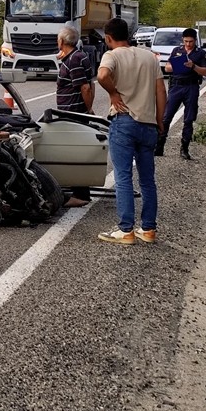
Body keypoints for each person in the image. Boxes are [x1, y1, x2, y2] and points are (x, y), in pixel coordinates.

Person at [96, 16, 166, 245]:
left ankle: (125, 229)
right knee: (147, 180)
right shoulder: (149, 56)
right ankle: (148, 229)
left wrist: (114, 94)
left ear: (108, 38)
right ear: (129, 34)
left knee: (123, 177)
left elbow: (102, 76)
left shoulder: (112, 55)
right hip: (148, 124)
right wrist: (159, 121)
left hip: (124, 122)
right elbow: (160, 91)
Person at [54, 26, 96, 207]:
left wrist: (88, 110)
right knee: (74, 151)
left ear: (62, 41)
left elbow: (85, 87)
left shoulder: (74, 60)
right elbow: (90, 83)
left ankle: (81, 194)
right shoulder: (77, 56)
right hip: (74, 111)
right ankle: (77, 190)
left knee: (73, 152)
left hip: (74, 113)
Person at [156, 27, 206, 160]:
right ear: (182, 40)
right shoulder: (177, 51)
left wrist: (193, 66)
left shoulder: (200, 53)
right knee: (166, 117)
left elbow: (205, 72)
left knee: (189, 119)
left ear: (195, 41)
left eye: (191, 41)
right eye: (186, 41)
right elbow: (167, 67)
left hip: (191, 86)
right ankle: (159, 146)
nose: (188, 44)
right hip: (176, 86)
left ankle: (184, 148)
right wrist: (177, 65)